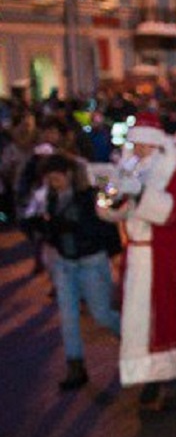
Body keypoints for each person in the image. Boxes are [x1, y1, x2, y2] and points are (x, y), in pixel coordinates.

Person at [95, 113, 176, 412]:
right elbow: (119, 211)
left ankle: (174, 381)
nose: (136, 150)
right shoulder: (132, 168)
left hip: (163, 255)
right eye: (134, 144)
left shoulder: (173, 171)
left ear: (153, 145)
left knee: (167, 317)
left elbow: (175, 211)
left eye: (141, 144)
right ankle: (150, 377)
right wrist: (112, 200)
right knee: (139, 322)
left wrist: (141, 194)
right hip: (138, 254)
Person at [28, 154, 121, 390]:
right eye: (49, 179)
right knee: (68, 317)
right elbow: (48, 227)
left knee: (101, 314)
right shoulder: (50, 197)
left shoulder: (88, 195)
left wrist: (75, 227)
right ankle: (75, 367)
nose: (53, 183)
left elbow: (104, 225)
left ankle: (129, 336)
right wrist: (43, 228)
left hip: (91, 261)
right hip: (64, 263)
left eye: (56, 178)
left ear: (68, 174)